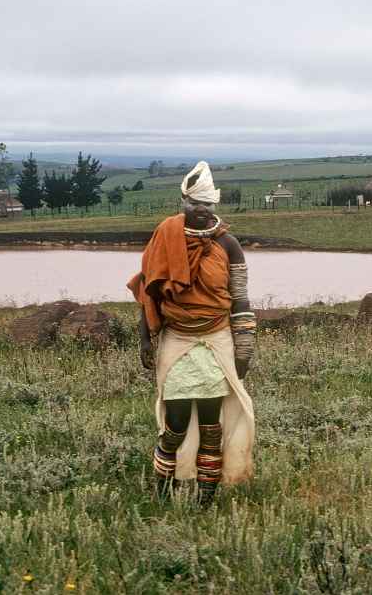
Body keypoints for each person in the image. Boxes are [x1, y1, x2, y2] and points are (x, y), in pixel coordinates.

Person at [127, 161, 256, 505]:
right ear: (182, 202)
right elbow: (148, 292)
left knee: (212, 429)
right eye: (194, 204)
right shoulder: (165, 236)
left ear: (215, 205)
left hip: (216, 343)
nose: (200, 211)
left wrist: (244, 348)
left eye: (207, 205)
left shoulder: (228, 245)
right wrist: (144, 338)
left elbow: (240, 297)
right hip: (176, 341)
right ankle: (163, 494)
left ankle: (205, 501)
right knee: (176, 425)